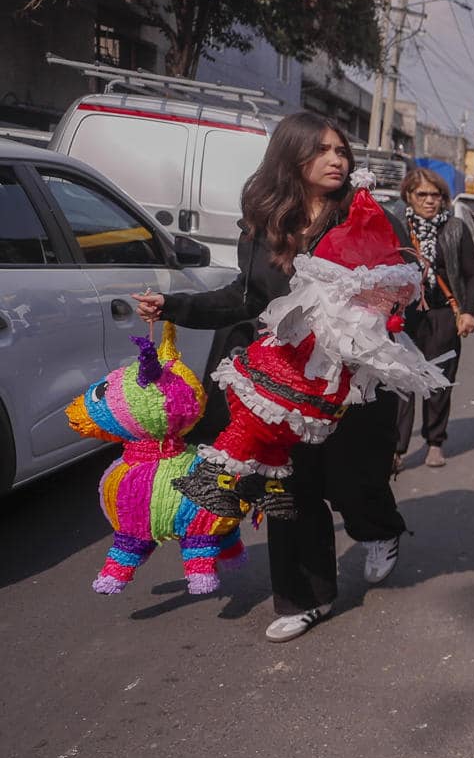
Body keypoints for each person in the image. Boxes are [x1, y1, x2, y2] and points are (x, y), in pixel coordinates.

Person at [134, 113, 408, 644]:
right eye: (323, 150)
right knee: (288, 487)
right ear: (292, 157)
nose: (337, 160)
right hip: (286, 380)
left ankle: (380, 531)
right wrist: (175, 305)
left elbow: (400, 286)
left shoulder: (366, 213)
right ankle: (307, 598)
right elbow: (246, 297)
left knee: (354, 482)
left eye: (341, 151)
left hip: (352, 378)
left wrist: (371, 322)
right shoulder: (265, 224)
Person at [391, 167, 474, 471]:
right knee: (400, 382)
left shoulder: (454, 228)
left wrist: (468, 311)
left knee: (438, 382)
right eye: (422, 195)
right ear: (408, 196)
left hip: (444, 315)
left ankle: (434, 442)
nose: (430, 201)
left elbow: (473, 275)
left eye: (436, 195)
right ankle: (397, 448)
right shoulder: (399, 227)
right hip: (404, 317)